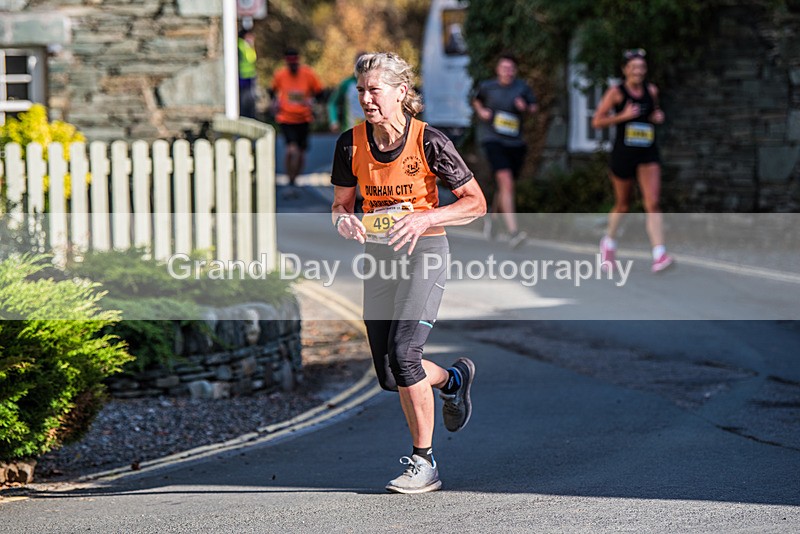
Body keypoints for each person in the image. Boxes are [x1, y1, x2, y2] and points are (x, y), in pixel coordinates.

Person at [330, 52, 487, 494]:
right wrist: (343, 219)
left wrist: (425, 218)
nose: (365, 98)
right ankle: (453, 379)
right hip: (380, 258)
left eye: (374, 89)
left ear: (401, 93)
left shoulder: (429, 141)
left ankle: (424, 462)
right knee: (389, 372)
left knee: (405, 353)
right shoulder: (350, 144)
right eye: (360, 90)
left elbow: (476, 202)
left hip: (425, 252)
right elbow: (341, 205)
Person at [591, 48, 674, 273]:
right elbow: (597, 121)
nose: (638, 71)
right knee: (623, 205)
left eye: (642, 67)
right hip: (624, 153)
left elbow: (654, 113)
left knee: (653, 202)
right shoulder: (616, 93)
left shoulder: (651, 90)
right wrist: (623, 116)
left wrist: (657, 117)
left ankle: (659, 253)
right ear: (625, 70)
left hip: (647, 151)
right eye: (634, 67)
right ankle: (608, 243)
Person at [471, 53, 538, 249]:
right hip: (493, 140)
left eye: (510, 69)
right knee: (506, 183)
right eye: (504, 68)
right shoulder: (488, 87)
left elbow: (534, 108)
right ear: (497, 70)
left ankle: (492, 218)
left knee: (505, 186)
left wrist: (525, 107)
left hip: (515, 143)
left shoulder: (522, 88)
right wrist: (481, 111)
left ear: (515, 71)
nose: (507, 72)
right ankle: (513, 233)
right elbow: (476, 100)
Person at [270, 48, 323, 196]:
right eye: (289, 62)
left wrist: (312, 102)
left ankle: (296, 179)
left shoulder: (308, 74)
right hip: (286, 118)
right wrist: (275, 103)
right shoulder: (280, 75)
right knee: (290, 150)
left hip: (304, 118)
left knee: (300, 152)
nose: (292, 65)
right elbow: (272, 92)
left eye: (295, 61)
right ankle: (290, 179)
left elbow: (320, 92)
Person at [327, 52, 366, 133]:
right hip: (350, 131)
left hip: (372, 132)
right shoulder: (346, 84)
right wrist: (334, 121)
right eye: (359, 65)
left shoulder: (376, 84)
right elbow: (333, 103)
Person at [237, 28, 258, 119]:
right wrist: (251, 45)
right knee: (246, 101)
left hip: (248, 76)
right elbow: (251, 58)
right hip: (244, 77)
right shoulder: (242, 45)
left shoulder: (242, 44)